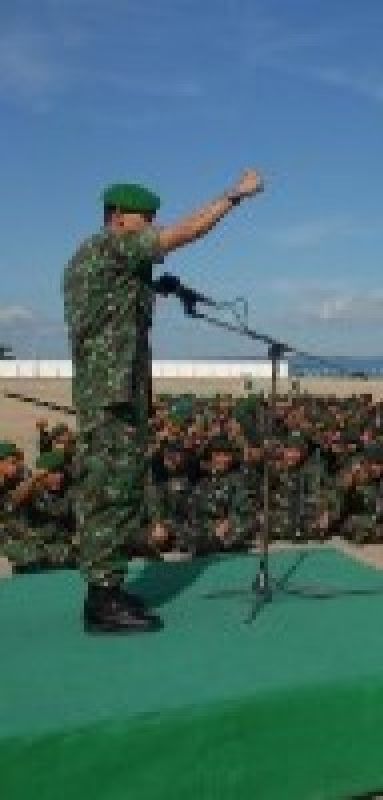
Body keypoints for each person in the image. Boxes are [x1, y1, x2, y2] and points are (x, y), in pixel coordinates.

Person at [64, 170, 264, 634]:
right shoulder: (110, 245)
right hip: (109, 396)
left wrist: (160, 289)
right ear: (116, 217)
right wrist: (234, 196)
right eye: (145, 217)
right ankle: (101, 601)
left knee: (118, 488)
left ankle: (108, 588)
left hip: (117, 392)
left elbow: (114, 306)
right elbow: (185, 233)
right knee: (107, 491)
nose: (153, 225)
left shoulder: (112, 262)